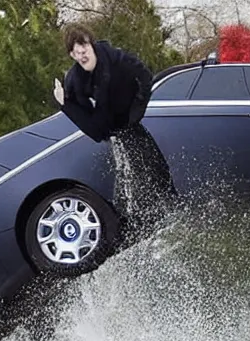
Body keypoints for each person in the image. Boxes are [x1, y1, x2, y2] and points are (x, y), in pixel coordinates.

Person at [54, 23, 174, 236]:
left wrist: (135, 113)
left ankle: (170, 213)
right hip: (112, 134)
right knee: (130, 182)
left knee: (156, 169)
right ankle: (140, 228)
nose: (82, 56)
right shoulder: (75, 82)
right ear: (71, 55)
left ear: (91, 45)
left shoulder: (117, 59)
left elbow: (145, 77)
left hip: (131, 122)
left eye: (84, 50)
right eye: (76, 53)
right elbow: (95, 131)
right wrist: (66, 105)